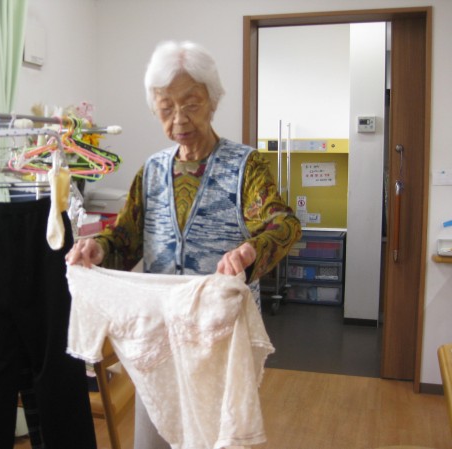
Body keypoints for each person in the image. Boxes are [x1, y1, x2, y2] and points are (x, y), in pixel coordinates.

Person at [66, 40, 301, 449]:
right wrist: (98, 248)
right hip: (158, 339)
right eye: (166, 107)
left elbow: (283, 223)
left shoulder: (245, 166)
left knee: (219, 437)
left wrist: (250, 252)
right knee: (153, 437)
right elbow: (125, 238)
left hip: (219, 341)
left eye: (191, 104)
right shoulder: (152, 171)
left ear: (213, 101)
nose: (179, 119)